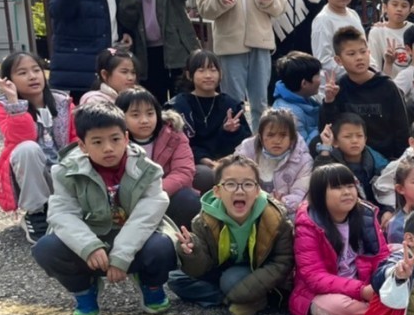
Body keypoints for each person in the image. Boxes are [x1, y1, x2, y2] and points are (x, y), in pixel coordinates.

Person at [31, 104, 175, 315]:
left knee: (163, 245)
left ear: (126, 138)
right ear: (82, 145)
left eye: (115, 139)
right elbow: (62, 214)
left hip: (134, 237)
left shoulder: (148, 170)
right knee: (47, 248)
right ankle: (84, 290)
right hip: (92, 237)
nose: (108, 148)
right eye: (97, 142)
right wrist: (89, 246)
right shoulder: (65, 171)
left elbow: (145, 218)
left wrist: (122, 256)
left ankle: (151, 284)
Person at [168, 153, 295, 315]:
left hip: (256, 272)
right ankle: (234, 299)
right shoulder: (204, 220)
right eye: (230, 184)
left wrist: (240, 291)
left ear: (257, 191)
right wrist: (192, 252)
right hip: (221, 268)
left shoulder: (275, 218)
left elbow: (282, 262)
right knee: (175, 278)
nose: (239, 191)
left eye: (248, 184)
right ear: (217, 191)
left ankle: (244, 296)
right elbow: (202, 267)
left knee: (230, 280)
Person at [292, 164, 388, 315]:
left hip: (364, 285)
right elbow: (314, 277)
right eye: (337, 187)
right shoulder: (308, 224)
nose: (347, 192)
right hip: (322, 294)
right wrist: (362, 291)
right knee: (338, 307)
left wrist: (382, 282)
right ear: (320, 194)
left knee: (399, 251)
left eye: (350, 186)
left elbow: (381, 256)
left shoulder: (366, 215)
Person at [0, 50, 77, 244]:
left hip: (61, 172)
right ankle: (36, 213)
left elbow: (76, 139)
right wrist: (14, 102)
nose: (32, 76)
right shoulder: (3, 107)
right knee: (27, 148)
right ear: (9, 80)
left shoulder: (62, 102)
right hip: (31, 178)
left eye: (36, 70)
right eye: (22, 73)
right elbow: (20, 138)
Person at [318, 26, 409, 162]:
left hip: (386, 159)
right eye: (351, 54)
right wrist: (329, 101)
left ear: (369, 53)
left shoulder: (387, 86)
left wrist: (398, 160)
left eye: (363, 52)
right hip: (349, 159)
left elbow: (402, 128)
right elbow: (327, 131)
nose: (359, 58)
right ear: (338, 60)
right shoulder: (338, 89)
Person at [166, 50, 251, 188]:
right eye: (201, 70)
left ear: (220, 74)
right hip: (193, 162)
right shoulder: (178, 106)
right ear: (189, 75)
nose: (208, 75)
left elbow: (246, 143)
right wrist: (204, 160)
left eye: (213, 70)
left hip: (228, 160)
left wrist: (231, 132)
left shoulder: (230, 104)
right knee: (206, 175)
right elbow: (176, 143)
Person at [117, 87, 198, 230]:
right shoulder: (114, 140)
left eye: (150, 113)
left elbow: (184, 172)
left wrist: (153, 192)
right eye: (135, 115)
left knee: (188, 197)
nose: (144, 120)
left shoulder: (174, 135)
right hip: (128, 201)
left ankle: (178, 238)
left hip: (165, 194)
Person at [235, 109, 313, 213]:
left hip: (285, 212)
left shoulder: (304, 161)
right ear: (261, 137)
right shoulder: (246, 152)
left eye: (283, 135)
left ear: (292, 138)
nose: (277, 141)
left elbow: (300, 195)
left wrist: (281, 202)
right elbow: (234, 183)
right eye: (270, 135)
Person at [310, 0, 364, 81]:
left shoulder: (353, 14)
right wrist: (354, 71)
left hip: (360, 79)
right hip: (335, 84)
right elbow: (323, 60)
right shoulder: (323, 20)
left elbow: (364, 48)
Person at [270, 51, 322, 145]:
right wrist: (323, 128)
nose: (320, 80)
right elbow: (301, 147)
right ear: (304, 83)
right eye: (317, 75)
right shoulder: (290, 113)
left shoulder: (306, 97)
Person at [366, 0, 414, 78]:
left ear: (410, 10)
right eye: (395, 5)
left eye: (404, 6)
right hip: (388, 82)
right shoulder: (377, 32)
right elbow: (374, 64)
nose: (399, 9)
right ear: (385, 7)